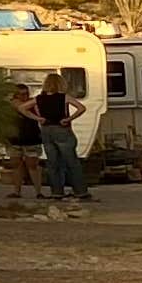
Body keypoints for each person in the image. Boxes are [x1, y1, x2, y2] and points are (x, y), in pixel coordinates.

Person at [31, 75, 87, 204]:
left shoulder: (39, 99)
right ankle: (80, 191)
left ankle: (57, 192)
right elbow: (81, 108)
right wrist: (68, 119)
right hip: (62, 129)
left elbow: (22, 107)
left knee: (52, 163)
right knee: (71, 162)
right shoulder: (64, 97)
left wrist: (38, 118)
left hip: (46, 130)